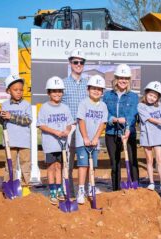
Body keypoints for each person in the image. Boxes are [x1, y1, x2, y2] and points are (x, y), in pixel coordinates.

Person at [37, 76, 73, 204]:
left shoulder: (65, 107)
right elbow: (41, 125)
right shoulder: (44, 108)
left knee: (60, 166)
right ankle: (52, 190)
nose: (57, 94)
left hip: (63, 145)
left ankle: (59, 189)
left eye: (59, 91)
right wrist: (56, 132)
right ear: (48, 93)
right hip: (50, 144)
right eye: (54, 91)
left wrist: (67, 130)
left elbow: (69, 123)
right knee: (51, 167)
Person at [103, 64, 139, 191]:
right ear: (116, 79)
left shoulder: (134, 97)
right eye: (120, 78)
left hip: (128, 133)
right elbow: (103, 111)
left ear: (129, 80)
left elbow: (133, 114)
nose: (123, 81)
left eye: (126, 78)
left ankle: (135, 188)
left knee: (132, 162)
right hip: (111, 133)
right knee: (115, 163)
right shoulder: (107, 95)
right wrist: (111, 119)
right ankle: (116, 190)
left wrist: (128, 127)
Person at [75, 75, 108, 204]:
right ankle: (81, 190)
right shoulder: (84, 103)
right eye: (94, 88)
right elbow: (81, 120)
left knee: (92, 166)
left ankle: (90, 187)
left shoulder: (103, 106)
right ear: (88, 89)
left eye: (99, 89)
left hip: (94, 142)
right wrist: (85, 137)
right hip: (82, 140)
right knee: (83, 166)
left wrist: (95, 138)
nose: (96, 91)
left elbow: (102, 124)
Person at [138, 81, 161, 192]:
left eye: (155, 96)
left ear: (158, 98)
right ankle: (151, 182)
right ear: (146, 94)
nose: (152, 98)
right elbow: (150, 119)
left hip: (159, 136)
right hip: (147, 136)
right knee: (149, 160)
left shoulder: (160, 106)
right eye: (150, 95)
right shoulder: (141, 106)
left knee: (159, 160)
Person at [0, 74, 32, 196]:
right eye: (15, 90)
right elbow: (2, 121)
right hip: (10, 142)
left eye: (21, 90)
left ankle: (25, 186)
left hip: (24, 141)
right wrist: (0, 116)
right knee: (9, 164)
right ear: (8, 91)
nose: (19, 92)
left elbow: (27, 120)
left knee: (25, 164)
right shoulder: (4, 105)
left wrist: (11, 116)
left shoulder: (26, 105)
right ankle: (9, 185)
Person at [62, 48, 88, 197]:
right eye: (75, 62)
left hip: (85, 130)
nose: (79, 64)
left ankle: (83, 191)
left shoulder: (88, 84)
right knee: (68, 162)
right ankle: (68, 191)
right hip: (70, 128)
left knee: (84, 163)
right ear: (70, 63)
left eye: (81, 62)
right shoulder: (63, 84)